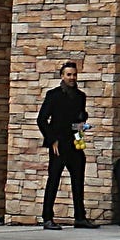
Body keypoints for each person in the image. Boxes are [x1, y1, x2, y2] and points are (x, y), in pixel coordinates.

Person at [36, 60, 92, 228]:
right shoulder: (53, 95)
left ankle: (80, 217)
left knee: (78, 180)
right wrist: (51, 139)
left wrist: (81, 134)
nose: (72, 78)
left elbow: (78, 120)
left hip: (74, 142)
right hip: (59, 144)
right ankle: (47, 217)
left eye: (74, 75)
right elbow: (42, 120)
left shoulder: (81, 96)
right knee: (53, 180)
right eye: (69, 75)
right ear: (62, 76)